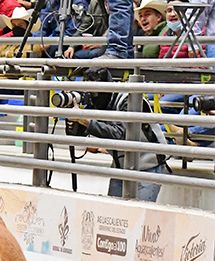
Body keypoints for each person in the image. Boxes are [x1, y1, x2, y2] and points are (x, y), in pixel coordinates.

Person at [70, 66, 170, 201]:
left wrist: (86, 121)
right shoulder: (97, 102)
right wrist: (72, 119)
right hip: (121, 167)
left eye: (94, 91)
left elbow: (121, 135)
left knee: (139, 216)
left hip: (147, 166)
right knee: (114, 216)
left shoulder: (128, 99)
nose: (91, 95)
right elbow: (77, 135)